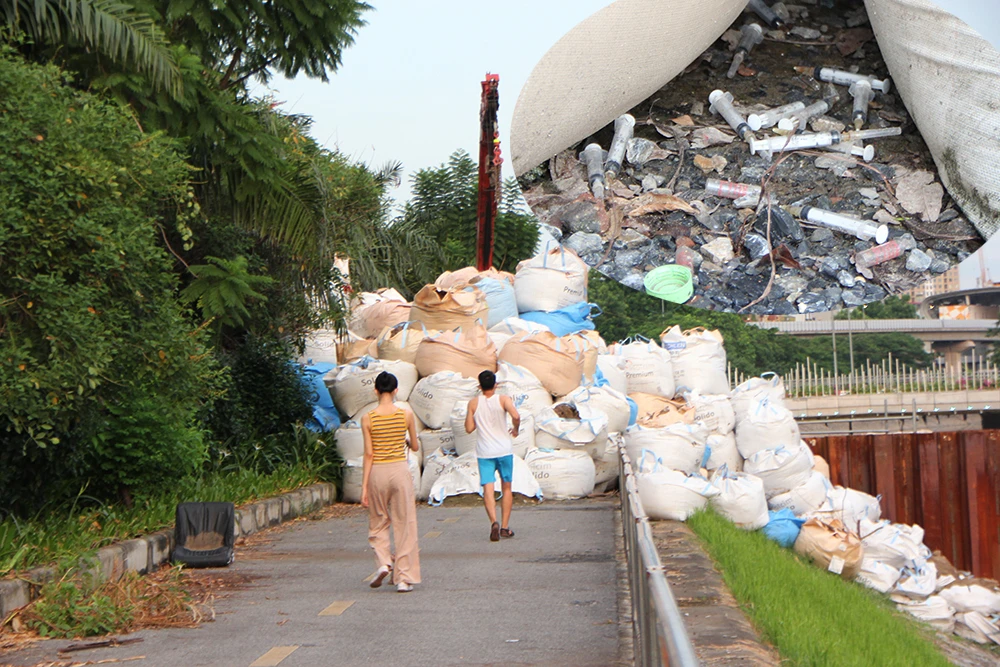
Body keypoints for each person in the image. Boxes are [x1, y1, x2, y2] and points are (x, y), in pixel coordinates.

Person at [360, 371, 421, 593]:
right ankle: (404, 578)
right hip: (399, 471)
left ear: (375, 390)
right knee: (405, 524)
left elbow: (368, 454)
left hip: (377, 472)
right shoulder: (406, 415)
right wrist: (406, 440)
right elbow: (415, 446)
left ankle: (384, 562)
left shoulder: (368, 418)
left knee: (378, 521)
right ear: (396, 391)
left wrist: (364, 487)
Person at [464, 370, 521, 542]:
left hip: (484, 452)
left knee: (488, 487)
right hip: (504, 450)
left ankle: (493, 522)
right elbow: (516, 416)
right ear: (495, 385)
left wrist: (477, 418)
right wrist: (516, 429)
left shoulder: (473, 403)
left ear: (479, 386)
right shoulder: (503, 399)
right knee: (506, 487)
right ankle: (504, 527)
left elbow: (468, 428)